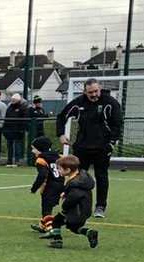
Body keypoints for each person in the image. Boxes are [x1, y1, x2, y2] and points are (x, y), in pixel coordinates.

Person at [56, 77, 123, 218]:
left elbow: (118, 122)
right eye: (90, 92)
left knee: (101, 176)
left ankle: (100, 206)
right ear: (85, 91)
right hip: (82, 147)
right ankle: (75, 204)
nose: (94, 94)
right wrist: (61, 135)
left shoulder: (110, 102)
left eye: (96, 91)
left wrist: (112, 142)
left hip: (102, 147)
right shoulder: (78, 103)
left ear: (100, 87)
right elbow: (62, 116)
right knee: (78, 177)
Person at [38, 154, 98, 249]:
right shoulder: (80, 178)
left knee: (61, 223)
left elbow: (72, 198)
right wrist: (65, 193)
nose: (57, 170)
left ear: (68, 170)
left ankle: (58, 241)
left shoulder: (75, 184)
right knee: (66, 224)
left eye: (59, 169)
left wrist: (65, 207)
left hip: (76, 210)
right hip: (82, 209)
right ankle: (87, 232)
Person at [28, 136, 64, 234]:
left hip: (49, 187)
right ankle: (42, 225)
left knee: (46, 210)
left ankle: (51, 230)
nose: (32, 151)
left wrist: (34, 188)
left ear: (40, 149)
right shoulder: (59, 156)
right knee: (50, 206)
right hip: (61, 185)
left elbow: (42, 175)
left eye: (34, 149)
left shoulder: (41, 160)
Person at [3, 93, 28, 168]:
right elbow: (6, 118)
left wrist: (22, 129)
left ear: (18, 100)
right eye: (12, 99)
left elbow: (25, 119)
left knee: (17, 146)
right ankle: (9, 160)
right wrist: (5, 129)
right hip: (9, 130)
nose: (13, 100)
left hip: (18, 131)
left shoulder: (22, 108)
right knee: (9, 146)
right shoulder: (9, 108)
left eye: (15, 99)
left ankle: (17, 161)